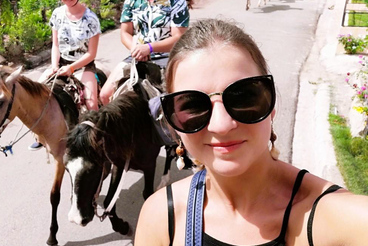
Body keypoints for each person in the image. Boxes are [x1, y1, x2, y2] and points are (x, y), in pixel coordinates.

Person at [134, 18, 368, 245]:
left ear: (271, 103)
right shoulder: (162, 218)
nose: (221, 125)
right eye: (193, 106)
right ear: (174, 125)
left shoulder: (329, 215)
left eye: (244, 97)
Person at [99, 0, 189, 105]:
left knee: (175, 105)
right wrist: (135, 48)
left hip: (166, 57)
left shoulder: (176, 0)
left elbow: (179, 38)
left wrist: (150, 48)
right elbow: (125, 33)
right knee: (105, 96)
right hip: (137, 55)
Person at [29, 0, 101, 151]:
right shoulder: (57, 14)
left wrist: (71, 68)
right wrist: (54, 65)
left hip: (83, 66)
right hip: (60, 64)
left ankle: (97, 139)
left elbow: (91, 54)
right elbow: (55, 45)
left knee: (91, 103)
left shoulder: (91, 19)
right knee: (35, 92)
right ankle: (40, 135)